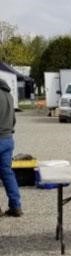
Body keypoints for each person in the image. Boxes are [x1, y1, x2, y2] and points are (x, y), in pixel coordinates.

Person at [0, 77, 22, 217]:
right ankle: (16, 206)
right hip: (8, 138)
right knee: (7, 174)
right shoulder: (9, 95)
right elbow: (13, 119)